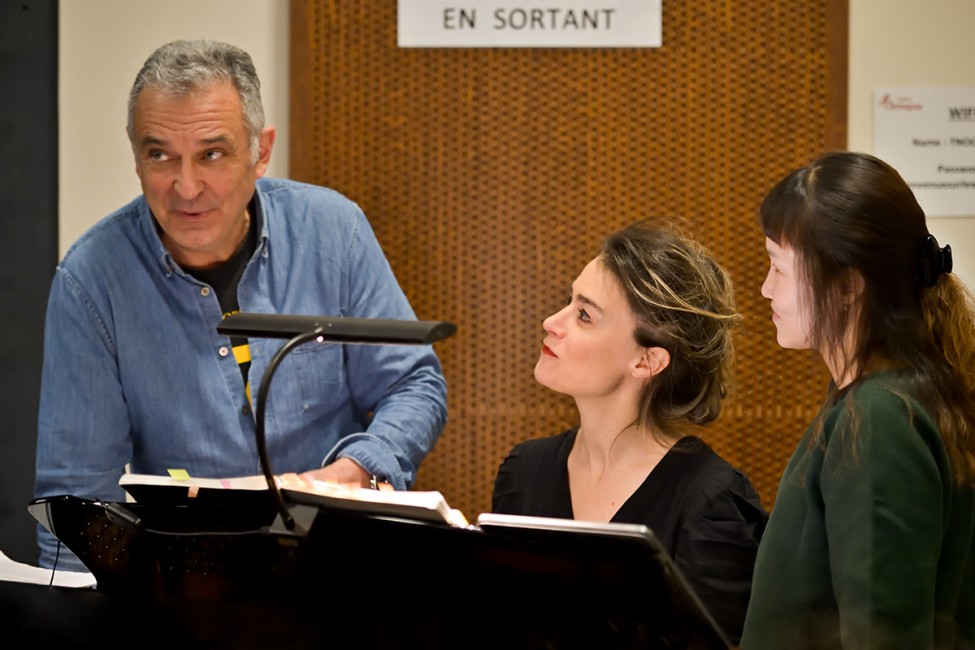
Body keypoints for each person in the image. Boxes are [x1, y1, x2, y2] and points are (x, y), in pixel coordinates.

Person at [33, 40, 448, 572]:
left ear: (261, 152)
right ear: (136, 156)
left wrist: (359, 468)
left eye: (212, 154)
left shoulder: (332, 232)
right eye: (160, 154)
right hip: (194, 584)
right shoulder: (91, 280)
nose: (186, 187)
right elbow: (77, 504)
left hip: (341, 564)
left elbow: (412, 384)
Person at [492, 221, 768, 645]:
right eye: (569, 302)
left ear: (647, 361)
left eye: (584, 315)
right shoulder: (523, 472)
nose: (551, 322)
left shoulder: (711, 504)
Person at [740, 151, 975, 648]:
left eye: (777, 268)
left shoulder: (881, 419)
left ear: (846, 285)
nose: (764, 289)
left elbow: (884, 634)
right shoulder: (892, 399)